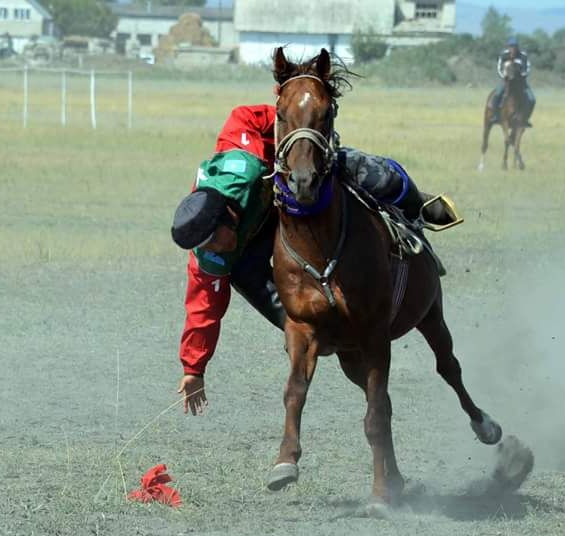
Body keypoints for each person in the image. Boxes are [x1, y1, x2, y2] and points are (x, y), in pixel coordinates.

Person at [170, 104, 459, 415]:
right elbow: (202, 308)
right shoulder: (210, 256)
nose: (216, 248)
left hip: (284, 182)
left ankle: (416, 207)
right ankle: (306, 331)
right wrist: (193, 368)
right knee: (249, 281)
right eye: (208, 246)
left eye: (216, 239)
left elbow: (247, 116)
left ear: (228, 214)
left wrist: (300, 130)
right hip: (256, 236)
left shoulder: (246, 166)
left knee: (366, 171)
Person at [490, 38, 536, 121]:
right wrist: (504, 76)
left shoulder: (523, 56)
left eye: (514, 47)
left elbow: (527, 68)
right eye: (511, 47)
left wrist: (522, 75)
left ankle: (526, 118)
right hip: (506, 81)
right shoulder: (504, 55)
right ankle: (495, 115)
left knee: (532, 99)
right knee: (497, 95)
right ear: (508, 47)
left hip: (521, 82)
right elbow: (499, 68)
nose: (513, 49)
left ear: (518, 47)